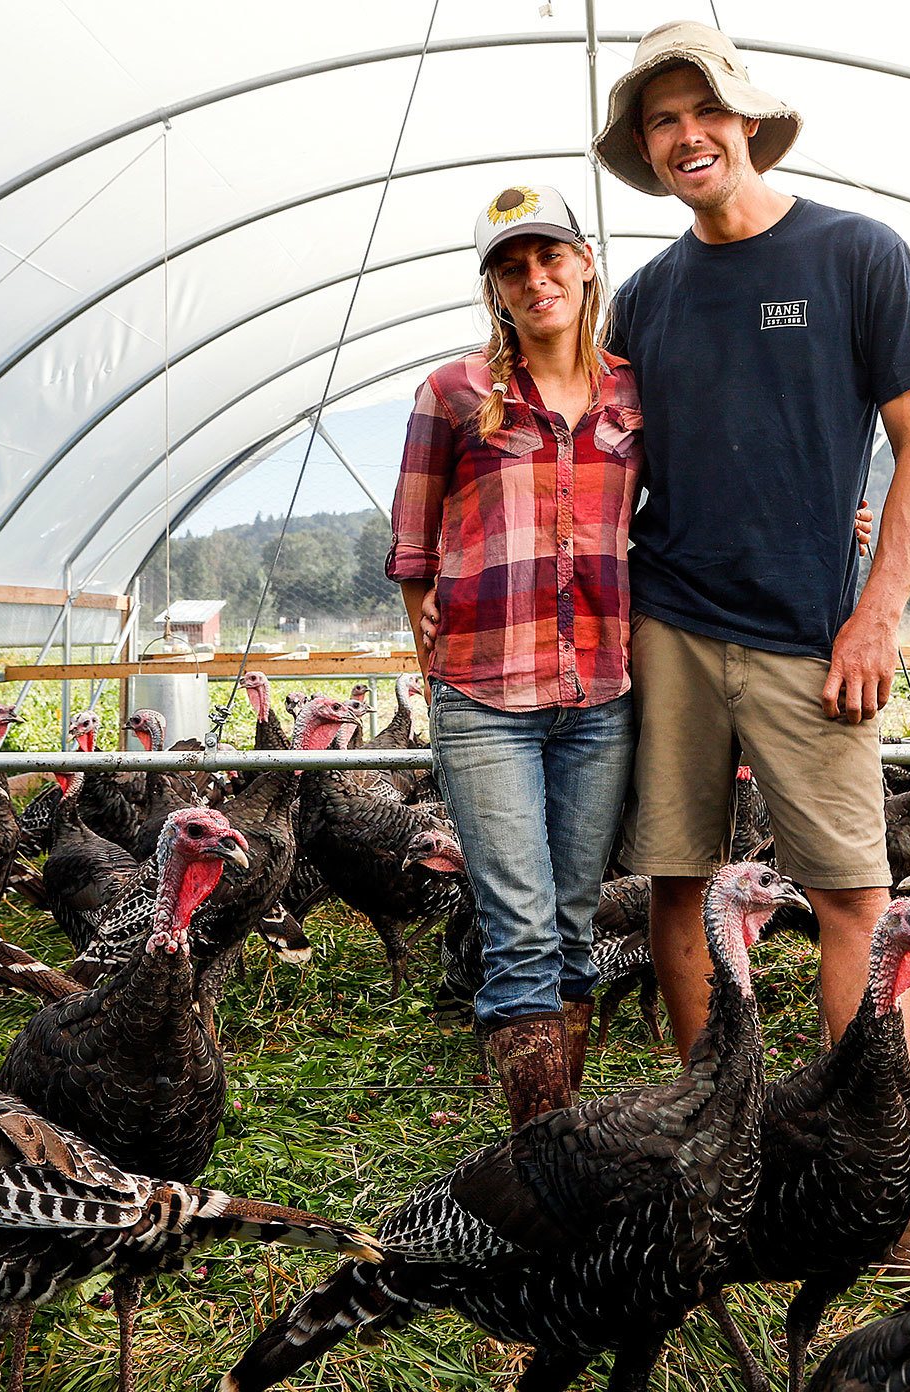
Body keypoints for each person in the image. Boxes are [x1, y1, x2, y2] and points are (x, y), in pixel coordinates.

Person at [593, 21, 910, 1266]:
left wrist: (874, 611)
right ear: (644, 153)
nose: (686, 136)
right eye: (659, 122)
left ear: (745, 122)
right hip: (672, 629)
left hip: (813, 640)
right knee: (676, 885)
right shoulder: (643, 298)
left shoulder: (856, 255)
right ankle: (717, 1166)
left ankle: (886, 1190)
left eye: (703, 112)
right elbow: (599, 464)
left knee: (854, 895)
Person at [386, 184, 638, 1126]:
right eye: (512, 266)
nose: (536, 278)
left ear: (583, 264)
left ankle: (561, 1135)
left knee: (577, 925)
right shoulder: (454, 393)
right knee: (522, 932)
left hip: (600, 692)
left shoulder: (630, 393)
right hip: (485, 694)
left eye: (550, 258)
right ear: (494, 287)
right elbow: (413, 540)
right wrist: (433, 645)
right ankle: (539, 1159)